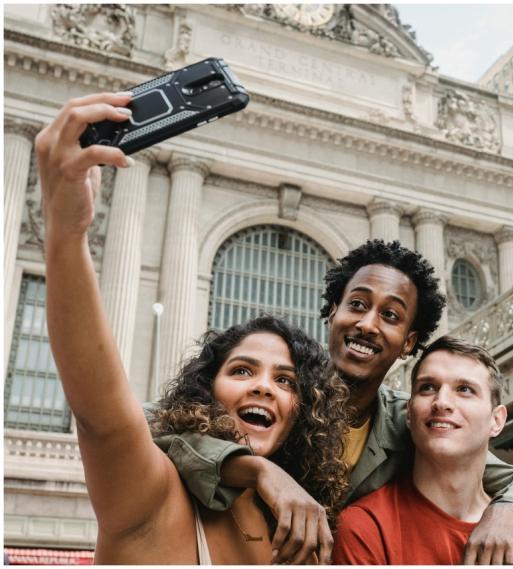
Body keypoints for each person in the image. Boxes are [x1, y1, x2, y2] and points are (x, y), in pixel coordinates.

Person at [35, 93, 349, 563]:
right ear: (206, 392)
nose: (265, 387)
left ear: (303, 412)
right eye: (243, 370)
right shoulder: (152, 495)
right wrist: (66, 231)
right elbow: (100, 417)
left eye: (285, 380)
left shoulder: (306, 536)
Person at [156, 242, 513, 564]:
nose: (367, 324)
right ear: (332, 312)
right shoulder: (279, 396)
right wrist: (259, 471)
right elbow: (157, 432)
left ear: (409, 342)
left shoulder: (413, 421)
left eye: (390, 315)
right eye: (358, 305)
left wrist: (507, 513)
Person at [333, 335, 513, 564]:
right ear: (408, 413)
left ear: (497, 421)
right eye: (427, 387)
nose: (442, 402)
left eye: (465, 389)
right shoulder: (364, 527)